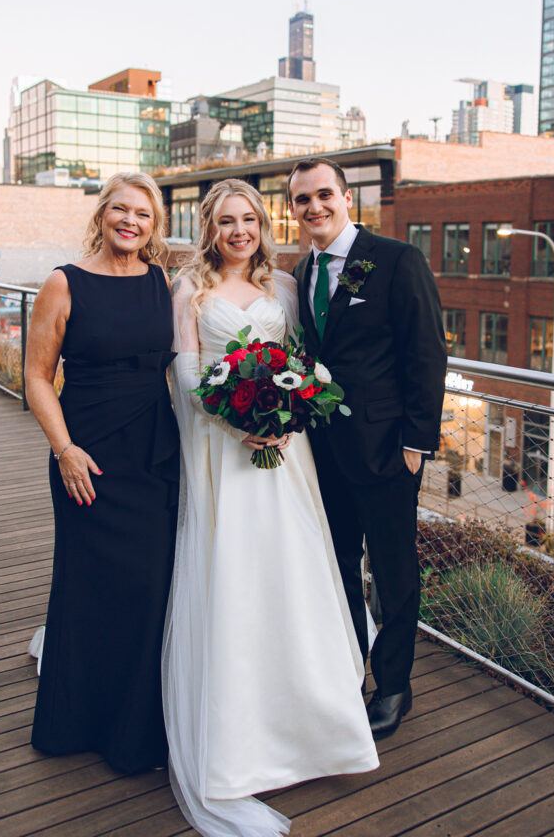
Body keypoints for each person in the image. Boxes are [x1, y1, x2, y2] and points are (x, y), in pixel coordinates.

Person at [163, 178, 378, 837]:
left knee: (293, 579)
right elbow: (187, 374)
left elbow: (306, 366)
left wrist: (286, 418)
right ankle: (241, 743)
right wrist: (236, 421)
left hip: (286, 455)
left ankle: (314, 726)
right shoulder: (190, 291)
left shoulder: (286, 287)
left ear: (262, 224)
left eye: (248, 219)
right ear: (210, 227)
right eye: (226, 221)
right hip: (223, 456)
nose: (238, 231)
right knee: (235, 580)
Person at [25, 171, 179, 773]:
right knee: (86, 589)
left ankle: (133, 731)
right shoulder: (63, 284)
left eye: (143, 214)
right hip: (85, 456)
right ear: (102, 214)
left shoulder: (162, 282)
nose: (131, 221)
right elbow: (37, 375)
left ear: (154, 224)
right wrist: (64, 448)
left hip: (154, 456)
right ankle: (76, 722)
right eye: (121, 210)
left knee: (149, 591)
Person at [288, 158, 447, 739]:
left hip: (386, 450)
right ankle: (349, 669)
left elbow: (427, 354)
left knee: (394, 570)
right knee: (338, 569)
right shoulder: (301, 271)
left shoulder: (397, 259)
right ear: (294, 209)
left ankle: (395, 686)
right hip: (323, 453)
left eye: (323, 194)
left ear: (347, 197)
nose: (314, 208)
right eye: (302, 200)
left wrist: (416, 443)